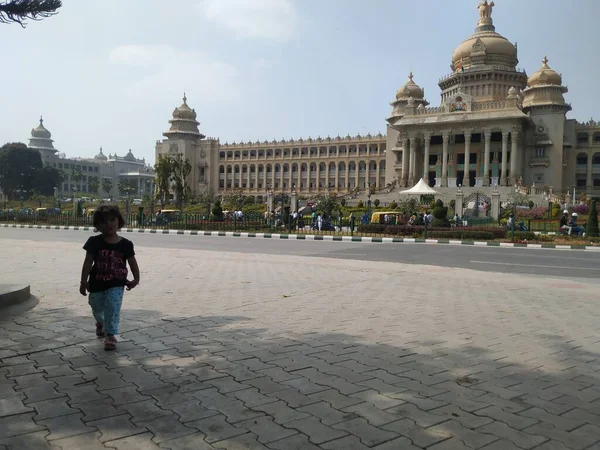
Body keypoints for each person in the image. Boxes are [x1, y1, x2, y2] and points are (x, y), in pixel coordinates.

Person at [79, 205, 140, 351]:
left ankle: (110, 334)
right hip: (96, 283)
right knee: (96, 305)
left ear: (119, 222)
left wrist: (136, 279)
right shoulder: (94, 242)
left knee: (112, 307)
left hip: (116, 283)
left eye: (112, 220)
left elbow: (132, 262)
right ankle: (100, 323)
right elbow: (88, 262)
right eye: (104, 221)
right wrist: (83, 281)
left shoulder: (126, 244)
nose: (109, 224)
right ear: (98, 225)